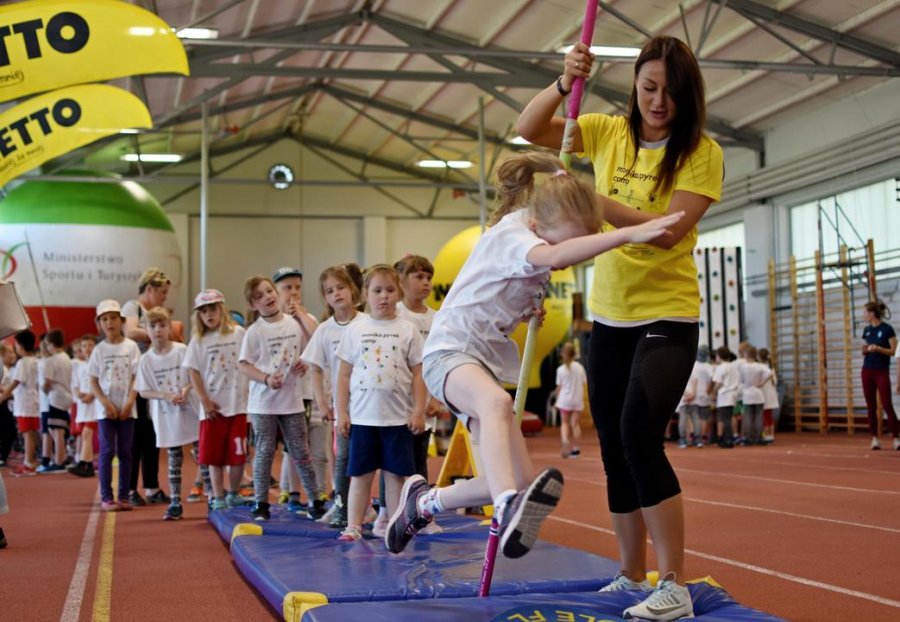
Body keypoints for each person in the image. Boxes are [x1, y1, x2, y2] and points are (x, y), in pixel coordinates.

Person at [385, 152, 682, 563]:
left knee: (518, 477)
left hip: (480, 363)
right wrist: (628, 234)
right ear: (540, 226)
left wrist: (524, 308)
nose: (560, 257)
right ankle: (506, 506)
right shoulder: (517, 237)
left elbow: (498, 286)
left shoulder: (535, 225)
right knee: (497, 405)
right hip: (449, 354)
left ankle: (424, 503)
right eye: (561, 241)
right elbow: (556, 256)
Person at [516, 35, 724, 619]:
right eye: (649, 87)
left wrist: (593, 201)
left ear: (689, 97)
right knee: (612, 447)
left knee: (637, 432)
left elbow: (670, 229)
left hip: (668, 314)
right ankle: (632, 574)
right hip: (609, 313)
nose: (658, 101)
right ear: (634, 84)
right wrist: (563, 82)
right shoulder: (607, 130)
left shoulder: (702, 152)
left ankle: (673, 582)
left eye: (671, 92)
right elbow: (529, 127)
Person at [334, 264, 426, 542]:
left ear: (398, 292)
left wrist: (419, 410)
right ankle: (353, 526)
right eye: (377, 290)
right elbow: (343, 374)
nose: (384, 296)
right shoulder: (356, 329)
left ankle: (396, 526)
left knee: (396, 476)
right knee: (360, 475)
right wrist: (342, 412)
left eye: (389, 290)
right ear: (365, 294)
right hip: (363, 418)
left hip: (397, 419)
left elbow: (419, 373)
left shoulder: (408, 329)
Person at [239, 275, 325, 522]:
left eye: (269, 291)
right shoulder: (254, 331)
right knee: (265, 450)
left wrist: (304, 363)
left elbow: (314, 344)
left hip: (292, 400)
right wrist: (265, 378)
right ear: (253, 305)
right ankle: (261, 503)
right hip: (263, 403)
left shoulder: (293, 323)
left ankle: (315, 500)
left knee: (300, 450)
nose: (267, 297)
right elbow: (243, 365)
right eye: (259, 296)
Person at [301, 265, 367, 529]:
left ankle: (371, 508)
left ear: (352, 290)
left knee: (369, 458)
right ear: (325, 298)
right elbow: (315, 368)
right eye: (330, 291)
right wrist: (321, 402)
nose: (337, 293)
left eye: (341, 287)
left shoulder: (367, 323)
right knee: (343, 458)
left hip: (370, 402)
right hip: (343, 407)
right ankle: (341, 504)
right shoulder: (325, 330)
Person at [184, 289, 249, 510]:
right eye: (204, 311)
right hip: (212, 409)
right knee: (213, 458)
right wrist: (204, 401)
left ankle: (233, 493)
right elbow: (193, 372)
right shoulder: (198, 341)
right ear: (199, 316)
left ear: (223, 310)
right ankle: (218, 496)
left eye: (213, 309)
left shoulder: (238, 333)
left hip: (237, 406)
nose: (209, 315)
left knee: (238, 456)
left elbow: (249, 360)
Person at [272, 267, 330, 514]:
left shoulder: (310, 319)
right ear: (276, 292)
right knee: (294, 449)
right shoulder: (275, 323)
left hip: (313, 395)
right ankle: (291, 492)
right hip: (287, 396)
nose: (293, 293)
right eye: (287, 288)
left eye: (297, 287)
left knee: (318, 449)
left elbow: (318, 341)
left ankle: (318, 492)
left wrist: (303, 316)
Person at [136, 308, 202, 521]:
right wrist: (165, 395)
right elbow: (143, 390)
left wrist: (185, 389)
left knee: (202, 455)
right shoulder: (145, 360)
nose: (158, 330)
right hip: (166, 415)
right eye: (152, 326)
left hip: (191, 410)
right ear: (146, 329)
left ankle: (213, 498)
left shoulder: (182, 350)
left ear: (169, 327)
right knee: (174, 459)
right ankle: (175, 502)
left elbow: (195, 375)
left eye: (162, 325)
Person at [122, 267, 173, 506]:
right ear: (149, 289)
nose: (164, 298)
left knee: (153, 434)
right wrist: (156, 334)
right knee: (136, 436)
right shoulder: (133, 307)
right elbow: (130, 331)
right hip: (134, 380)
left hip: (154, 378)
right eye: (162, 293)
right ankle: (130, 489)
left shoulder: (155, 315)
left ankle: (152, 487)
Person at [89, 300, 141, 511]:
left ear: (121, 321)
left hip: (127, 409)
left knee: (126, 452)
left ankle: (124, 495)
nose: (109, 322)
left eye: (113, 318)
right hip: (106, 411)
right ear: (99, 323)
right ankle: (107, 497)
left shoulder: (131, 347)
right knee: (107, 451)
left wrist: (129, 402)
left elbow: (137, 376)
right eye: (104, 319)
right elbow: (93, 381)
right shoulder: (99, 350)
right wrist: (105, 403)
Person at [860, 300, 899, 450]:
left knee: (887, 404)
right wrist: (865, 350)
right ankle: (875, 438)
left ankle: (896, 438)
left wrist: (878, 349)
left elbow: (893, 351)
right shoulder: (867, 330)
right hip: (867, 370)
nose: (863, 315)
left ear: (872, 314)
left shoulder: (887, 329)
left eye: (865, 312)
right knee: (871, 406)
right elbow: (864, 350)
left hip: (881, 370)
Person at [1, 331, 40, 476]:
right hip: (33, 402)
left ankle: (29, 464)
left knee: (27, 434)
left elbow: (15, 383)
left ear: (20, 346)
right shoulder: (35, 360)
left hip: (25, 405)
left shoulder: (23, 362)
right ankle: (29, 461)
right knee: (30, 434)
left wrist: (2, 397)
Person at [38, 328, 72, 473]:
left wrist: (43, 390)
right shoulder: (66, 357)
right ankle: (62, 457)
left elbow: (48, 381)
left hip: (55, 397)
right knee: (61, 430)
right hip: (66, 396)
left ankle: (59, 460)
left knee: (56, 430)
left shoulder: (52, 360)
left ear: (51, 343)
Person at [69, 335, 98, 477]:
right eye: (84, 346)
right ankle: (88, 464)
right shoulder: (79, 366)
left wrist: (91, 395)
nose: (87, 349)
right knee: (85, 435)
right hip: (83, 406)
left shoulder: (98, 364)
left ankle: (83, 463)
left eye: (90, 345)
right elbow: (74, 383)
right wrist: (78, 393)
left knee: (87, 433)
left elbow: (100, 382)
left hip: (94, 405)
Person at [554, 341, 587, 458]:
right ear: (574, 354)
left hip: (564, 400)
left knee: (564, 423)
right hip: (577, 399)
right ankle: (576, 449)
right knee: (575, 424)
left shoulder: (560, 370)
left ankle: (565, 440)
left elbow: (559, 387)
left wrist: (556, 398)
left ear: (563, 354)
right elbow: (584, 383)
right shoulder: (580, 368)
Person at [738, 345, 771, 446]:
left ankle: (748, 437)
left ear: (746, 354)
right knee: (758, 417)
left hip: (748, 393)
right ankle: (759, 437)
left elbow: (741, 380)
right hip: (758, 392)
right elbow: (770, 373)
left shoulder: (743, 367)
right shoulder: (760, 366)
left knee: (747, 417)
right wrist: (762, 382)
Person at [711, 347, 739, 448]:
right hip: (732, 394)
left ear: (719, 356)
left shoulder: (721, 367)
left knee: (725, 419)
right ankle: (728, 438)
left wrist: (713, 392)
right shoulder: (733, 366)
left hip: (725, 395)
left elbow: (718, 382)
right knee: (728, 417)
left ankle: (728, 440)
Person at [691, 345, 714, 446]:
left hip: (694, 395)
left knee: (695, 417)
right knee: (704, 417)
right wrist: (708, 392)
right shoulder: (708, 366)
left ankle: (695, 436)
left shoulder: (693, 365)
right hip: (704, 395)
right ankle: (703, 436)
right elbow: (712, 380)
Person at [0, 344, 18, 467]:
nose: (13, 355)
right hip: (2, 401)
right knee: (9, 431)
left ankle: (3, 456)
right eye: (10, 353)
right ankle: (3, 456)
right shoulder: (3, 369)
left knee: (9, 431)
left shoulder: (7, 369)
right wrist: (8, 393)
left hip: (5, 401)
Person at [758, 348, 779, 443]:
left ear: (759, 357)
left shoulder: (761, 367)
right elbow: (775, 381)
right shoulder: (771, 367)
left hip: (765, 394)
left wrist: (762, 382)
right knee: (769, 415)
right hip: (771, 394)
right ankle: (771, 434)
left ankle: (766, 435)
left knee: (765, 415)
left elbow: (769, 376)